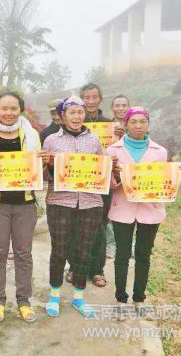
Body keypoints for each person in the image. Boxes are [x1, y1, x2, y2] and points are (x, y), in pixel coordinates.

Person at [106, 107, 181, 320]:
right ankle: (120, 300)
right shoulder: (112, 150)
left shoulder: (160, 151)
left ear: (148, 124)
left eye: (142, 121)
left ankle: (139, 299)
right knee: (122, 255)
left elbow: (162, 182)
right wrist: (115, 174)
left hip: (150, 210)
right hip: (123, 208)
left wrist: (175, 176)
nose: (138, 126)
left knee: (143, 255)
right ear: (126, 124)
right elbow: (108, 184)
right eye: (133, 122)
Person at [41, 96, 113, 319]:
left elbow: (101, 171)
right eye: (71, 112)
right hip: (60, 202)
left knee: (84, 250)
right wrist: (48, 165)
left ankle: (79, 297)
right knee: (59, 250)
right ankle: (54, 295)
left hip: (90, 203)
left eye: (80, 112)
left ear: (85, 115)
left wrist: (112, 168)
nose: (76, 116)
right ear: (63, 116)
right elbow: (43, 176)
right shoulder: (51, 140)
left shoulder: (94, 140)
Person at [0, 91, 42, 323]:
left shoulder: (31, 134)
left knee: (24, 253)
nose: (8, 113)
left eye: (13, 108)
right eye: (4, 108)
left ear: (20, 110)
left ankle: (24, 300)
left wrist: (42, 160)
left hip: (25, 202)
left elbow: (37, 167)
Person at [66, 83, 122, 288]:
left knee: (99, 226)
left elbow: (119, 152)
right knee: (74, 225)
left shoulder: (110, 125)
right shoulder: (73, 124)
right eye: (86, 97)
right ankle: (74, 266)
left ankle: (97, 269)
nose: (90, 101)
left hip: (101, 181)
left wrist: (121, 136)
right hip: (77, 180)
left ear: (100, 99)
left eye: (94, 97)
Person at [106, 94, 131, 260]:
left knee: (131, 211)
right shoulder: (106, 127)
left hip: (130, 175)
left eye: (124, 105)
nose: (121, 108)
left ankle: (129, 244)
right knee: (110, 209)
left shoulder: (136, 126)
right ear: (112, 108)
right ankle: (111, 244)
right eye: (117, 105)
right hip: (110, 173)